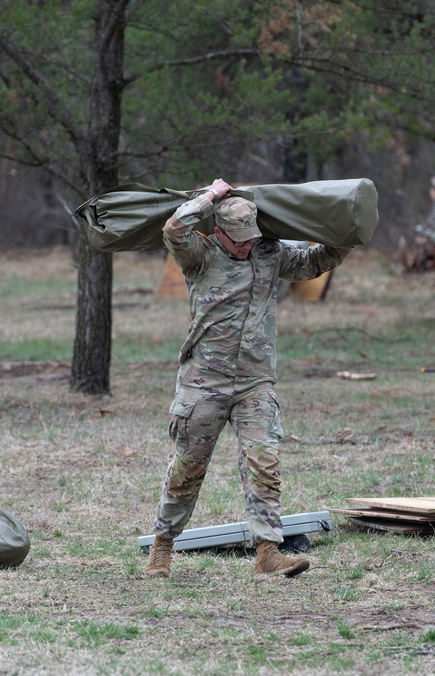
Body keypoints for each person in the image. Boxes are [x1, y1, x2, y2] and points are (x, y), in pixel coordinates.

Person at [144, 178, 354, 579]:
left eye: (249, 238)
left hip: (255, 381)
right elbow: (174, 229)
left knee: (263, 462)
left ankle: (268, 553)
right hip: (204, 380)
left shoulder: (268, 253)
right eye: (237, 238)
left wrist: (346, 235)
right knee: (188, 467)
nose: (244, 245)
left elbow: (313, 263)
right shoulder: (198, 254)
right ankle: (162, 546)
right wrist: (209, 196)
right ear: (217, 230)